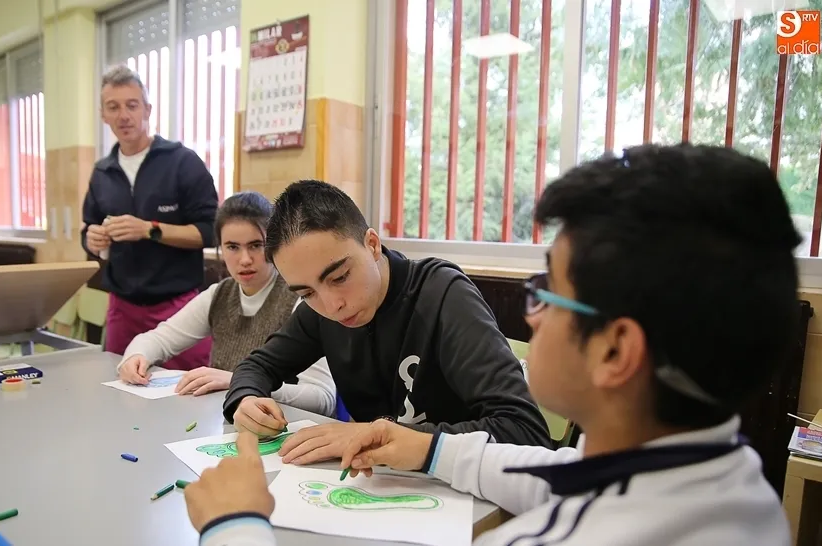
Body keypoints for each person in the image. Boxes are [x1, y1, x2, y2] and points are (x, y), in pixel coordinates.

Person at [184, 143, 798, 545]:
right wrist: (424, 450)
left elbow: (526, 436)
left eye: (548, 291)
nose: (532, 317)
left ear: (615, 351)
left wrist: (235, 527)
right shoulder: (728, 485)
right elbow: (560, 470)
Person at [223, 179, 552, 466]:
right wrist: (245, 400)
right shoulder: (319, 310)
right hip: (383, 487)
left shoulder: (442, 295)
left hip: (464, 495)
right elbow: (258, 366)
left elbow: (524, 432)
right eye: (307, 292)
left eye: (340, 277)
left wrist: (376, 436)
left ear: (372, 244)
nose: (332, 305)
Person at [116, 191, 337, 417]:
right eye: (232, 247)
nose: (244, 259)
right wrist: (135, 357)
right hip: (227, 423)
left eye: (256, 245)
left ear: (274, 245)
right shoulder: (219, 294)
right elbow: (157, 339)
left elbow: (322, 399)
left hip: (282, 429)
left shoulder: (301, 298)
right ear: (220, 247)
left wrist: (242, 382)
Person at [81, 65, 219, 371]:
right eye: (113, 107)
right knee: (121, 393)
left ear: (148, 109)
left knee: (188, 396)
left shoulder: (182, 162)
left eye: (132, 105)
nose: (124, 116)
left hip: (179, 308)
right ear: (103, 114)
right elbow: (87, 230)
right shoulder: (102, 172)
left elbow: (211, 232)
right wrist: (92, 238)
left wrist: (150, 230)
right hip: (122, 307)